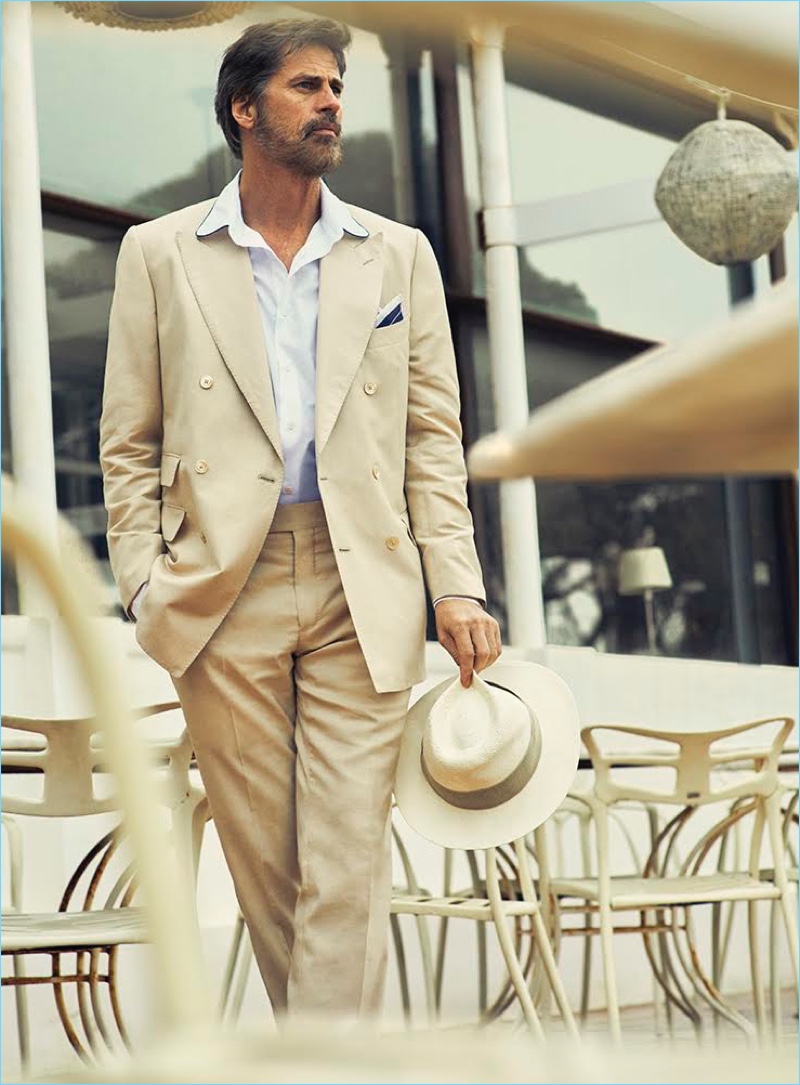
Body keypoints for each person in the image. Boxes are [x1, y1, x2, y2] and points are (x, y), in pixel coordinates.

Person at [99, 16, 501, 1022]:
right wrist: (146, 584)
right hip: (215, 586)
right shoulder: (158, 252)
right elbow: (129, 440)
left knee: (345, 855)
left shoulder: (395, 255)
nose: (330, 104)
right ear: (244, 109)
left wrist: (454, 581)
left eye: (336, 88)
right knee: (265, 860)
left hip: (358, 572)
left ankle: (322, 1066)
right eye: (306, 87)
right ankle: (329, 1054)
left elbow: (430, 438)